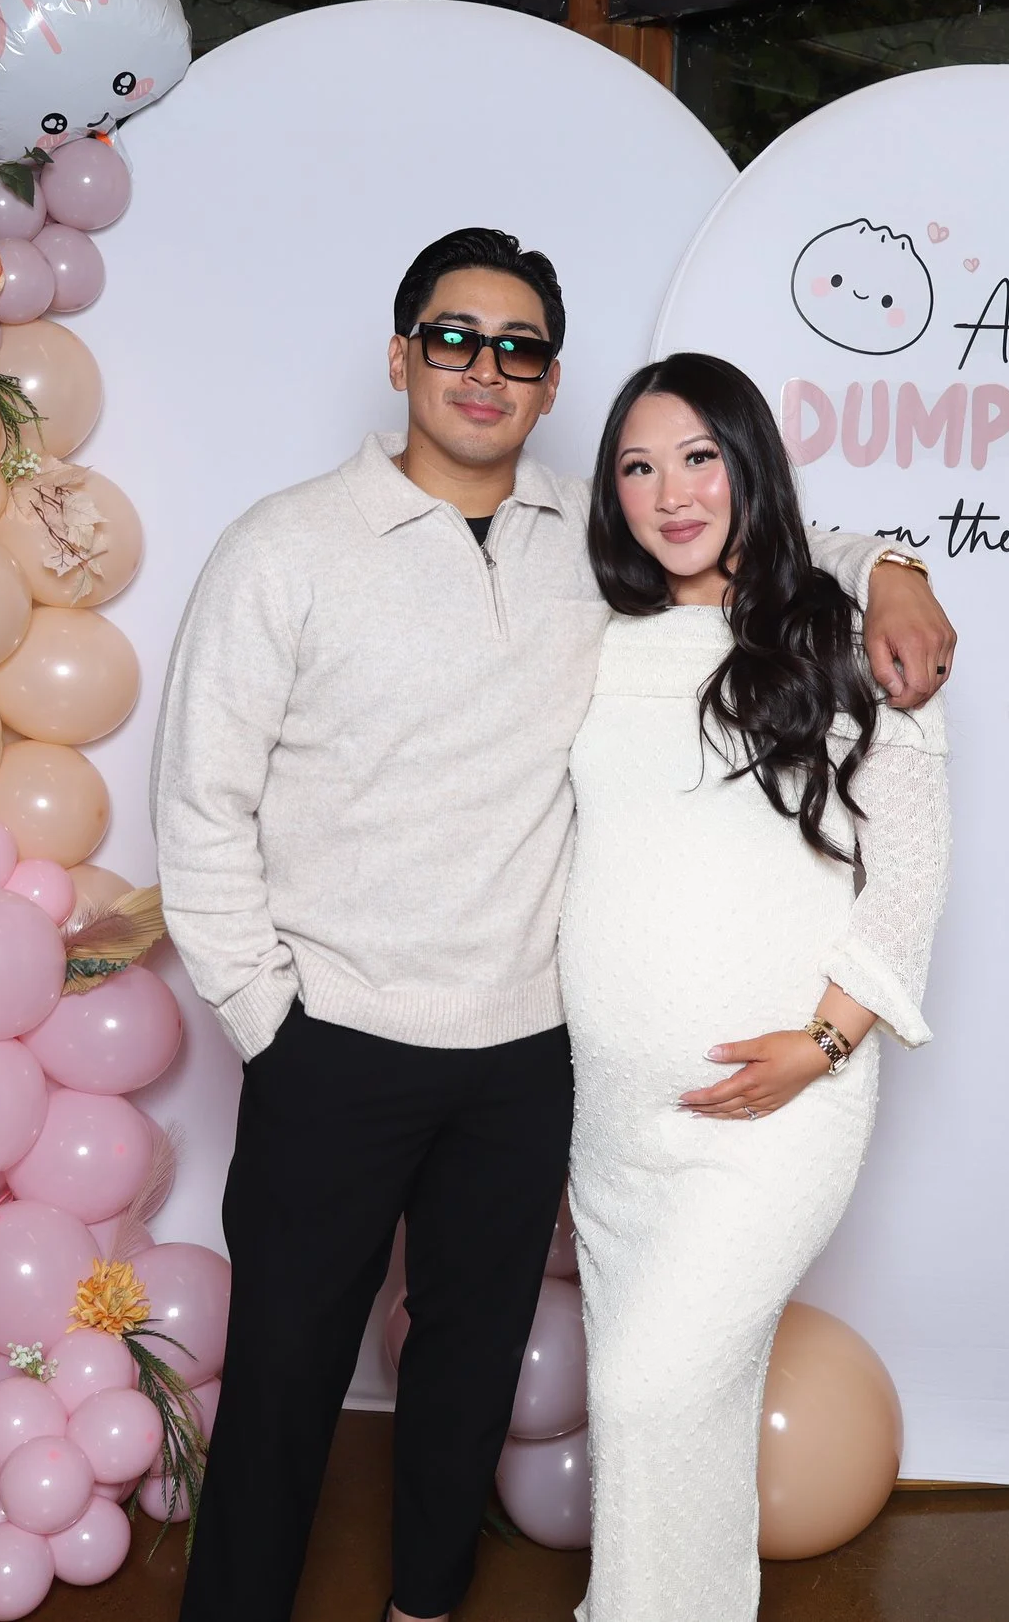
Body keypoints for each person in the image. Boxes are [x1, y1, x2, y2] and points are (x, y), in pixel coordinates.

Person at [151, 229, 956, 1622]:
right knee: (285, 1369)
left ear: (548, 379)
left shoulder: (583, 550)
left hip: (528, 1056)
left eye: (517, 347)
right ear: (402, 356)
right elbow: (198, 803)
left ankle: (426, 1605)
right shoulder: (282, 547)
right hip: (333, 1039)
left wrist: (894, 562)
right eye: (453, 338)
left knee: (464, 1370)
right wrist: (263, 1018)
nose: (484, 367)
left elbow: (754, 530)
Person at [563, 352, 952, 1621]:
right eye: (636, 464)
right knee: (664, 1417)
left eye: (699, 458)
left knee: (646, 1390)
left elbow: (907, 881)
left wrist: (822, 1047)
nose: (669, 493)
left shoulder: (844, 635)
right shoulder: (591, 631)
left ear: (747, 466)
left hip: (781, 1101)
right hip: (613, 1116)